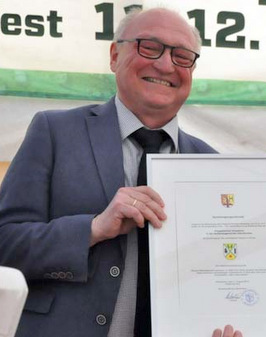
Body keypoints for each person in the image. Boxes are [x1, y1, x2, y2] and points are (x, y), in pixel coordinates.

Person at [0, 7, 242, 337]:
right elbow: (5, 244)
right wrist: (93, 228)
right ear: (115, 55)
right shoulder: (54, 131)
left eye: (182, 55)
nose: (166, 64)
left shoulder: (211, 164)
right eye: (149, 46)